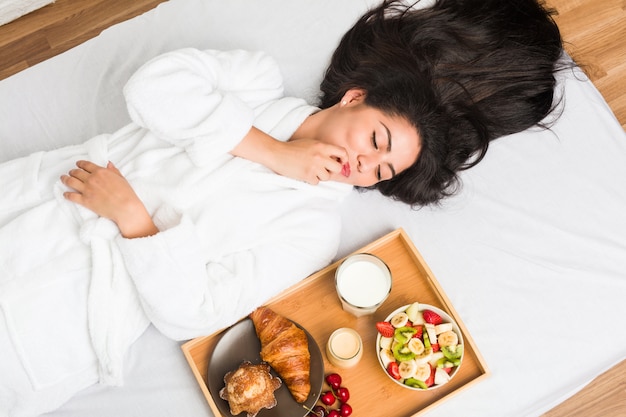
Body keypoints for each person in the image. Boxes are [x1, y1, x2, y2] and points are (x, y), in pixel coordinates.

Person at [0, 0, 566, 415]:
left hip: (62, 318)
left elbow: (195, 312)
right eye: (374, 141)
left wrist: (136, 223)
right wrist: (270, 151)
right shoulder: (255, 82)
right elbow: (152, 88)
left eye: (381, 171)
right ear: (354, 97)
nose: (363, 166)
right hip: (39, 205)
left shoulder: (311, 229)